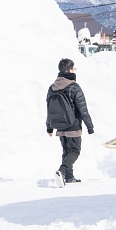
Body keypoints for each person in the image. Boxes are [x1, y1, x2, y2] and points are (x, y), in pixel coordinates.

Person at [45, 58, 94, 188]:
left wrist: (49, 127)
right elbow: (82, 109)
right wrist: (90, 126)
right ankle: (62, 170)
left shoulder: (52, 88)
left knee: (66, 151)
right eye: (73, 68)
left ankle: (69, 177)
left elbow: (49, 109)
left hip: (59, 125)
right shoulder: (74, 87)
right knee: (75, 151)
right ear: (69, 70)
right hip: (73, 125)